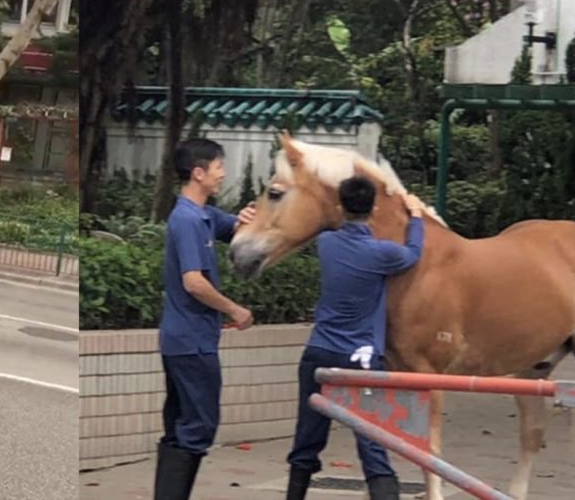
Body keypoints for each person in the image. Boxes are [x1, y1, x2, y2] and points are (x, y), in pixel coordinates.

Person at [286, 176, 427, 500]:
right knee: (372, 442)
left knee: (307, 438)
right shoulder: (382, 254)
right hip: (359, 358)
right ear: (374, 208)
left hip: (318, 353)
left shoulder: (327, 244)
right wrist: (416, 216)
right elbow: (414, 253)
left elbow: (326, 223)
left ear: (341, 206)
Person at [153, 137, 256, 500]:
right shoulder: (187, 220)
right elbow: (193, 282)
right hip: (192, 342)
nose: (222, 174)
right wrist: (234, 309)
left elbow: (238, 228)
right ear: (198, 173)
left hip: (184, 341)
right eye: (218, 168)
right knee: (198, 426)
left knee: (182, 427)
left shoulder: (204, 216)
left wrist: (248, 216)